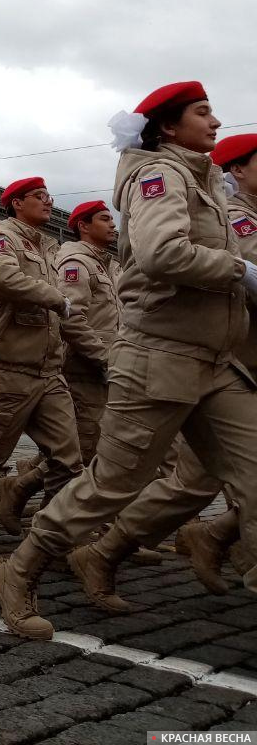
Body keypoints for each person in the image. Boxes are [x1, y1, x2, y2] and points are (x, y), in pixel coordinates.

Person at [0, 81, 257, 640]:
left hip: (215, 360)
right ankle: (18, 571)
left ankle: (117, 554)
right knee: (112, 482)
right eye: (202, 112)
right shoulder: (159, 175)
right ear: (166, 127)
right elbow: (161, 253)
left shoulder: (203, 179)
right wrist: (240, 270)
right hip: (159, 355)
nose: (215, 120)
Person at [63, 130, 257, 606]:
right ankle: (49, 550)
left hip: (216, 363)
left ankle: (183, 542)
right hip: (199, 360)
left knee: (207, 480)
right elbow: (164, 262)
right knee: (124, 476)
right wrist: (105, 357)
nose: (109, 225)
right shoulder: (222, 211)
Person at [0, 177, 82, 534]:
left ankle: (48, 533)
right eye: (39, 197)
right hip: (10, 367)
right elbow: (0, 276)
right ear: (17, 203)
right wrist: (54, 298)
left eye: (49, 196)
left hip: (48, 370)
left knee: (69, 459)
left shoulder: (47, 247)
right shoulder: (4, 236)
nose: (49, 202)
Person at [55, 201, 120, 464]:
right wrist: (103, 357)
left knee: (93, 442)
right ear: (83, 226)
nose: (112, 224)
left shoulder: (108, 265)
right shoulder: (77, 263)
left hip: (108, 366)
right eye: (104, 219)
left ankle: (25, 485)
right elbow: (71, 318)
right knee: (86, 443)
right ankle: (29, 488)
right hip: (85, 368)